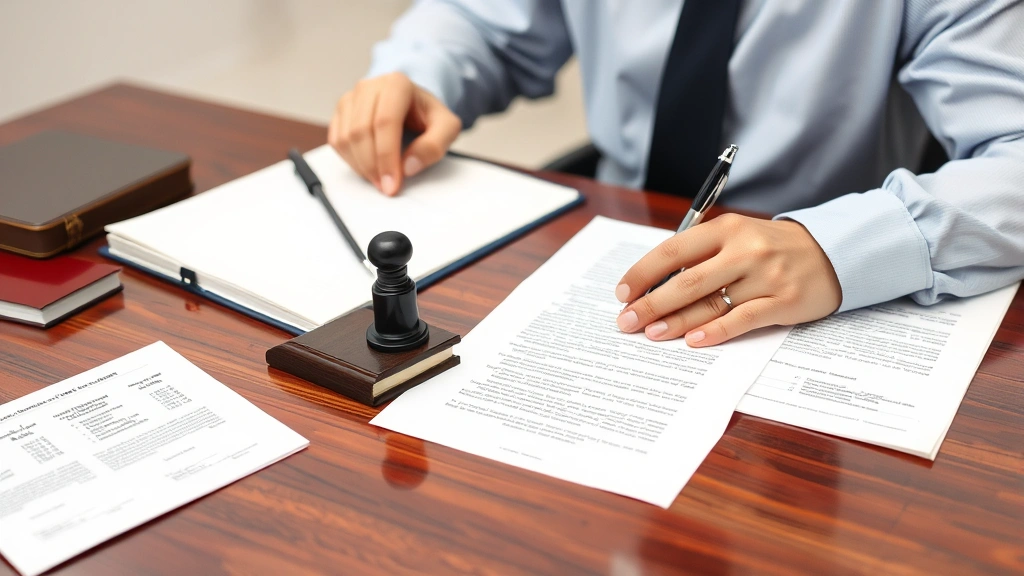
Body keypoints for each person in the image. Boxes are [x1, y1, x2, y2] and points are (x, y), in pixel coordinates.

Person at [328, 1, 1024, 348]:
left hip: (815, 286)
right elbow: (479, 21)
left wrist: (837, 247)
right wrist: (419, 74)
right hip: (614, 241)